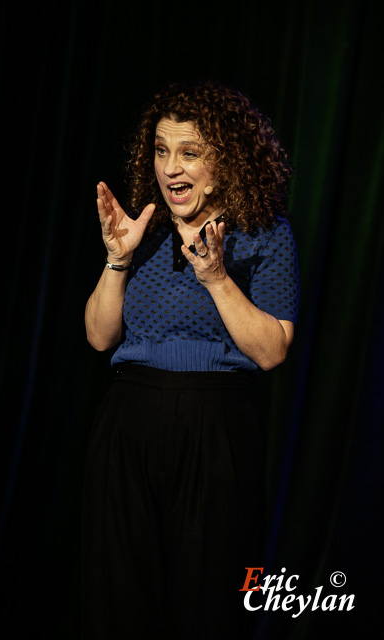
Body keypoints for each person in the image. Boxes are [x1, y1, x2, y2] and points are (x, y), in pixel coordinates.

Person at [82, 80, 299, 639]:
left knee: (207, 602)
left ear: (224, 160)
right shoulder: (142, 233)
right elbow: (100, 338)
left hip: (216, 429)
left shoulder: (264, 234)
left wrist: (216, 277)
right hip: (129, 423)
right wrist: (116, 261)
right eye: (160, 150)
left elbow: (273, 351)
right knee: (125, 598)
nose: (170, 167)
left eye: (189, 152)